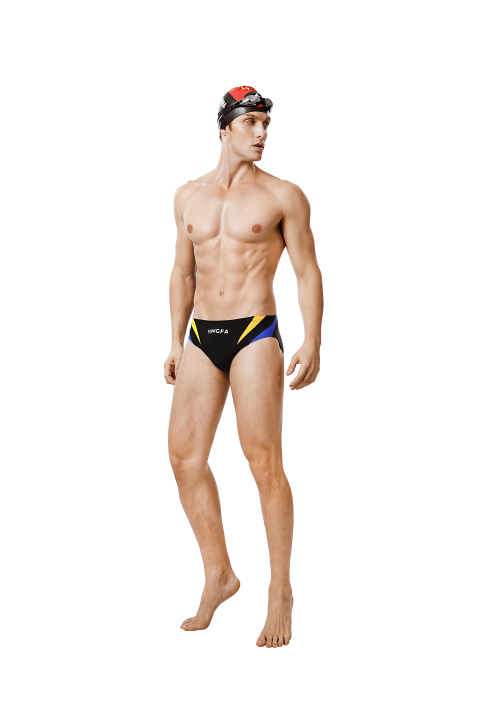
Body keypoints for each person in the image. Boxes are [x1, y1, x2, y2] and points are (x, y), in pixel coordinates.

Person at [164, 85, 324, 648]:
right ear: (225, 128)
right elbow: (183, 271)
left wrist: (313, 340)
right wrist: (174, 340)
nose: (261, 134)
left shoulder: (283, 195)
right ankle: (220, 573)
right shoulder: (188, 196)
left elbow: (306, 269)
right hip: (201, 335)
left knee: (263, 462)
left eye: (266, 125)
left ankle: (280, 590)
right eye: (251, 123)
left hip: (255, 331)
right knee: (183, 458)